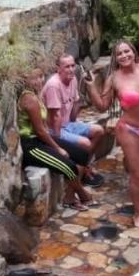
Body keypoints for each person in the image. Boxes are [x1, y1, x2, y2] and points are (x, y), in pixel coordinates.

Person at [86, 40, 139, 230]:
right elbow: (102, 106)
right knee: (137, 173)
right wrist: (92, 87)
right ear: (115, 58)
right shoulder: (114, 79)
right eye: (119, 54)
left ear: (134, 52)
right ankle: (138, 212)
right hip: (129, 129)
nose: (124, 56)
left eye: (127, 51)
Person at [19, 67, 94, 210]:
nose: (39, 81)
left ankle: (70, 196)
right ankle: (81, 194)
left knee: (82, 154)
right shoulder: (29, 99)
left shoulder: (36, 95)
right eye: (34, 78)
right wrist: (57, 148)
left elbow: (44, 128)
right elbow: (40, 131)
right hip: (31, 145)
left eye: (41, 76)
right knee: (69, 167)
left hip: (41, 139)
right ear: (25, 80)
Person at [41, 54, 105, 185]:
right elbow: (55, 115)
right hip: (54, 129)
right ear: (58, 68)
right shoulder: (54, 85)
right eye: (67, 67)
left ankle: (84, 166)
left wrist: (76, 122)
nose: (71, 69)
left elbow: (75, 103)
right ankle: (84, 171)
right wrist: (58, 141)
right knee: (86, 143)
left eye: (72, 66)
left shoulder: (73, 79)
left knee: (99, 131)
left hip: (68, 123)